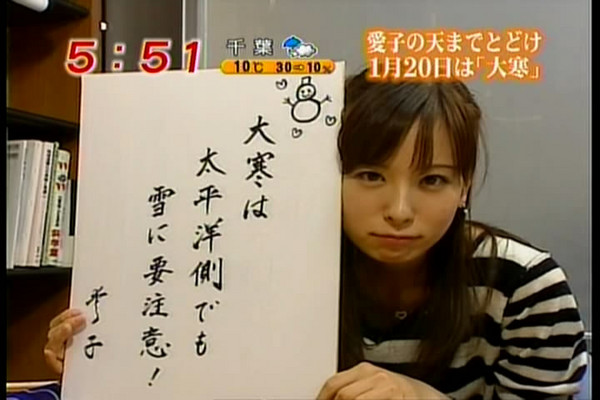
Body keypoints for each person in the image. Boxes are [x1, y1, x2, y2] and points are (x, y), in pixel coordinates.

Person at [44, 69, 588, 399]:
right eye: (369, 175)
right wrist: (110, 370)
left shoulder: (523, 285)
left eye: (433, 180)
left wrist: (419, 397)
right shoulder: (265, 261)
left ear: (464, 186)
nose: (399, 211)